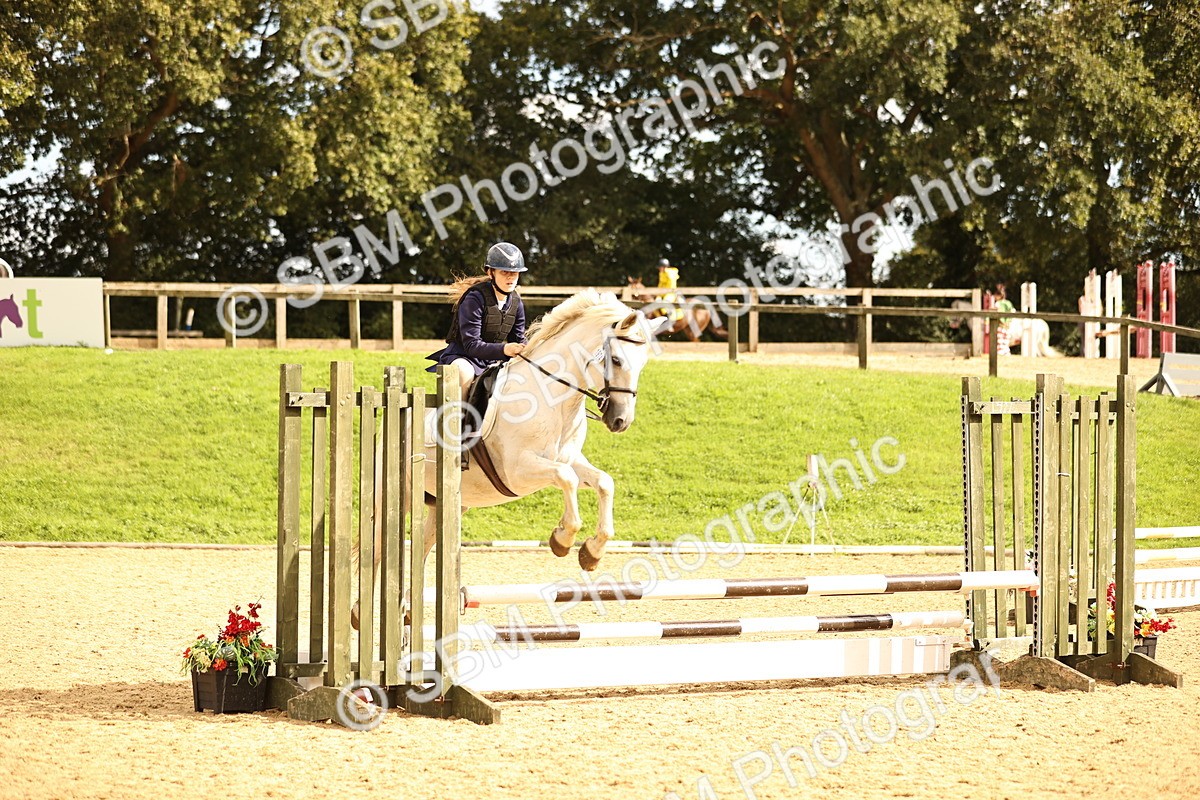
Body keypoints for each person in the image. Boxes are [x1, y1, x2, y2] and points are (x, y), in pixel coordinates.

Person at [426, 242, 528, 395]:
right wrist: (505, 349)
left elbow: (519, 338)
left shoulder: (516, 302)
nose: (511, 277)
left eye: (515, 272)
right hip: (465, 357)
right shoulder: (474, 299)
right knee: (464, 372)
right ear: (490, 272)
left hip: (493, 359)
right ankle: (460, 417)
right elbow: (472, 344)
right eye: (504, 272)